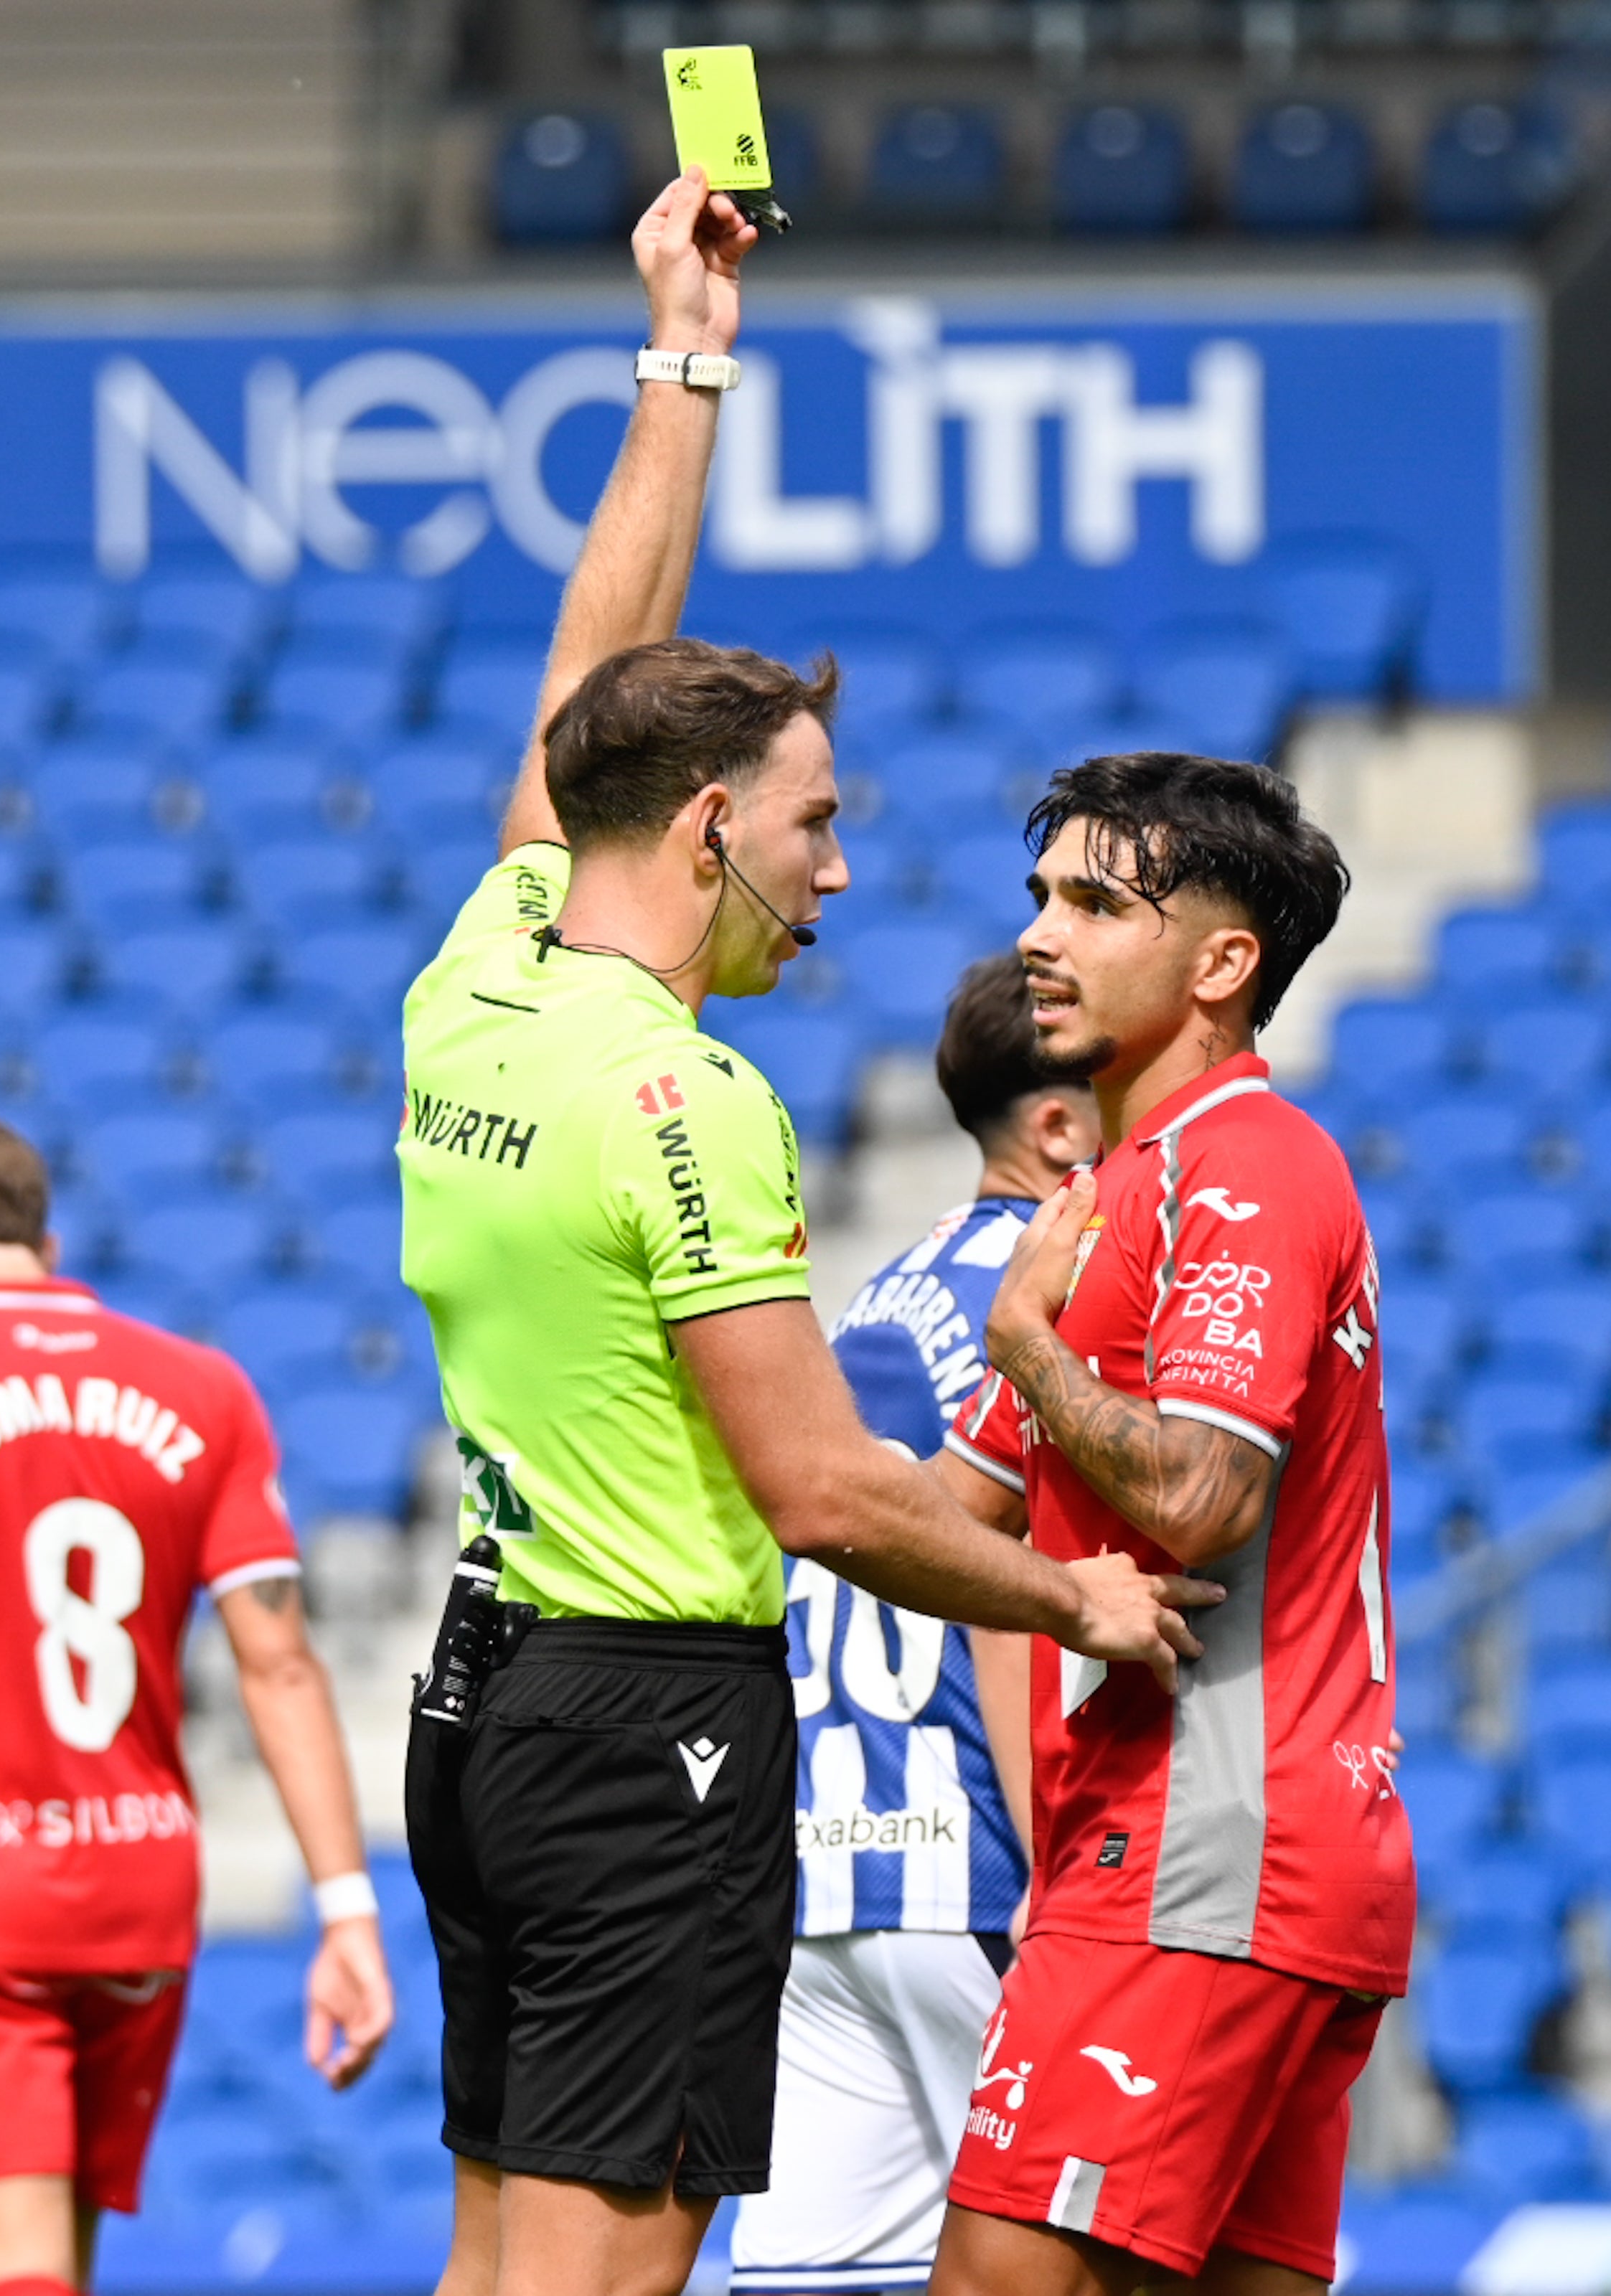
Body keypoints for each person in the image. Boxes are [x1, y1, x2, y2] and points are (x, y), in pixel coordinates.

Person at [398, 169, 1213, 2296]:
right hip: (647, 1725)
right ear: (706, 830)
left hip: (484, 1698)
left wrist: (684, 359)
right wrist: (1080, 1597)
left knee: (494, 2260)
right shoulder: (688, 1097)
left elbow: (588, 685)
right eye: (816, 824)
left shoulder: (480, 982)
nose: (840, 875)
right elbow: (826, 1492)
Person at [929, 752, 1417, 2296]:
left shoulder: (1250, 1167)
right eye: (1038, 898)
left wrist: (1028, 1348)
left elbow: (1203, 1497)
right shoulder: (1122, 1193)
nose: (1039, 936)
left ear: (1221, 963)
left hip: (1207, 1844)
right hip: (1192, 1847)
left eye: (1092, 902)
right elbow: (949, 1522)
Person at [0, 1109, 392, 2296]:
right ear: (41, 1240)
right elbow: (280, 1665)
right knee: (64, 2267)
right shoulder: (206, 1389)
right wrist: (349, 1911)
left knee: (16, 2278)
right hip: (145, 1893)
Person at [729, 956, 1102, 2296]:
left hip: (831, 1871)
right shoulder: (1055, 1298)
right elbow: (1006, 1590)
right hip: (979, 1870)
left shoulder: (878, 1298)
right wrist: (1064, 1871)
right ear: (1058, 1128)